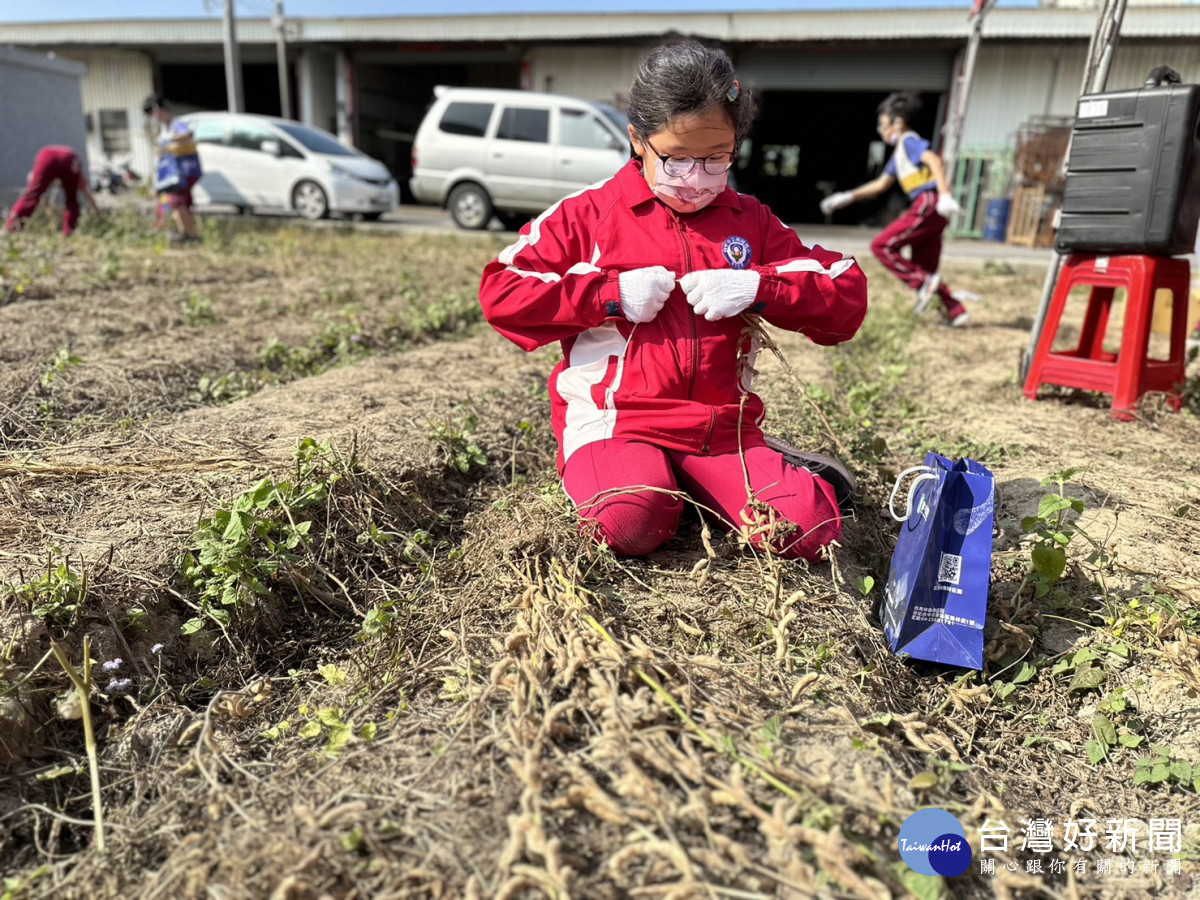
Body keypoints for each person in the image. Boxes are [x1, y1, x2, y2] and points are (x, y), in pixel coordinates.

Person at [479, 41, 868, 562]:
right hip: (617, 423)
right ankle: (654, 483)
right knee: (628, 522)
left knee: (809, 531)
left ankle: (732, 473)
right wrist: (609, 295)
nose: (696, 181)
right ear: (638, 140)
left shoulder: (750, 220)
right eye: (677, 159)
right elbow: (502, 290)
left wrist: (760, 286)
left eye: (716, 159)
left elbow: (845, 293)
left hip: (721, 430)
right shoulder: (589, 213)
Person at [820, 91, 971, 327]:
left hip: (929, 202)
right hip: (934, 208)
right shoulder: (900, 152)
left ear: (898, 123)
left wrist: (945, 194)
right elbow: (882, 184)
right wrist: (847, 197)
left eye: (883, 125)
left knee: (882, 246)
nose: (881, 131)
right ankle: (956, 310)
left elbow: (934, 160)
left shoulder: (908, 140)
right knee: (926, 269)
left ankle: (923, 284)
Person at [143, 95, 202, 244]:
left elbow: (188, 134)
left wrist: (168, 140)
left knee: (176, 201)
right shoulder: (165, 128)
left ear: (162, 111)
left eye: (156, 114)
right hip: (178, 172)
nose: (156, 118)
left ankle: (191, 235)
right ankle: (186, 233)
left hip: (186, 170)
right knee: (183, 203)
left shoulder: (176, 124)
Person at [4, 145, 100, 236]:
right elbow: (85, 189)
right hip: (70, 158)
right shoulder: (76, 169)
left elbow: (32, 189)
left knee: (31, 196)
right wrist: (95, 207)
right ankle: (69, 232)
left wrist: (44, 202)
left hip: (47, 155)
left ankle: (10, 229)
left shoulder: (40, 164)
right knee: (72, 200)